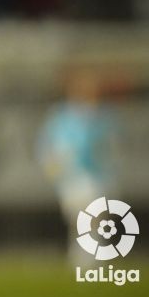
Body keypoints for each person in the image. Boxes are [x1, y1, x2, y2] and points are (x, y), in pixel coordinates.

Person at [37, 66, 118, 266]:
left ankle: (90, 256)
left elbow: (110, 148)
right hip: (71, 177)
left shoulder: (103, 117)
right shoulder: (62, 117)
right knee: (78, 217)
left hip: (96, 176)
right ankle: (83, 256)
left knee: (95, 216)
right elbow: (48, 146)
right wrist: (53, 167)